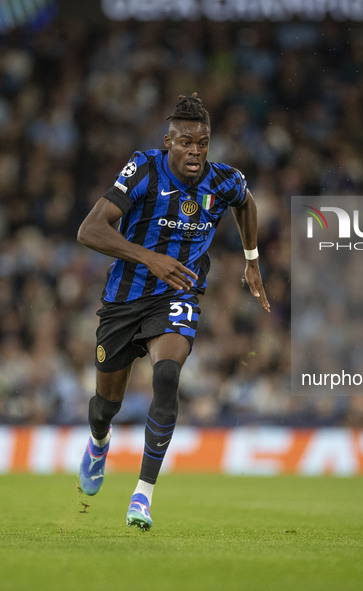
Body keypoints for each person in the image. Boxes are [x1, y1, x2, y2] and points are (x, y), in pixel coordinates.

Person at [77, 92, 270, 530]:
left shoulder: (223, 180)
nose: (195, 151)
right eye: (186, 142)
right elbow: (89, 230)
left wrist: (252, 259)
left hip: (178, 293)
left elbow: (247, 203)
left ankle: (142, 496)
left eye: (202, 143)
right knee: (105, 405)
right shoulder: (143, 169)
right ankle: (98, 441)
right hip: (124, 300)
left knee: (167, 376)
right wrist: (149, 257)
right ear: (168, 142)